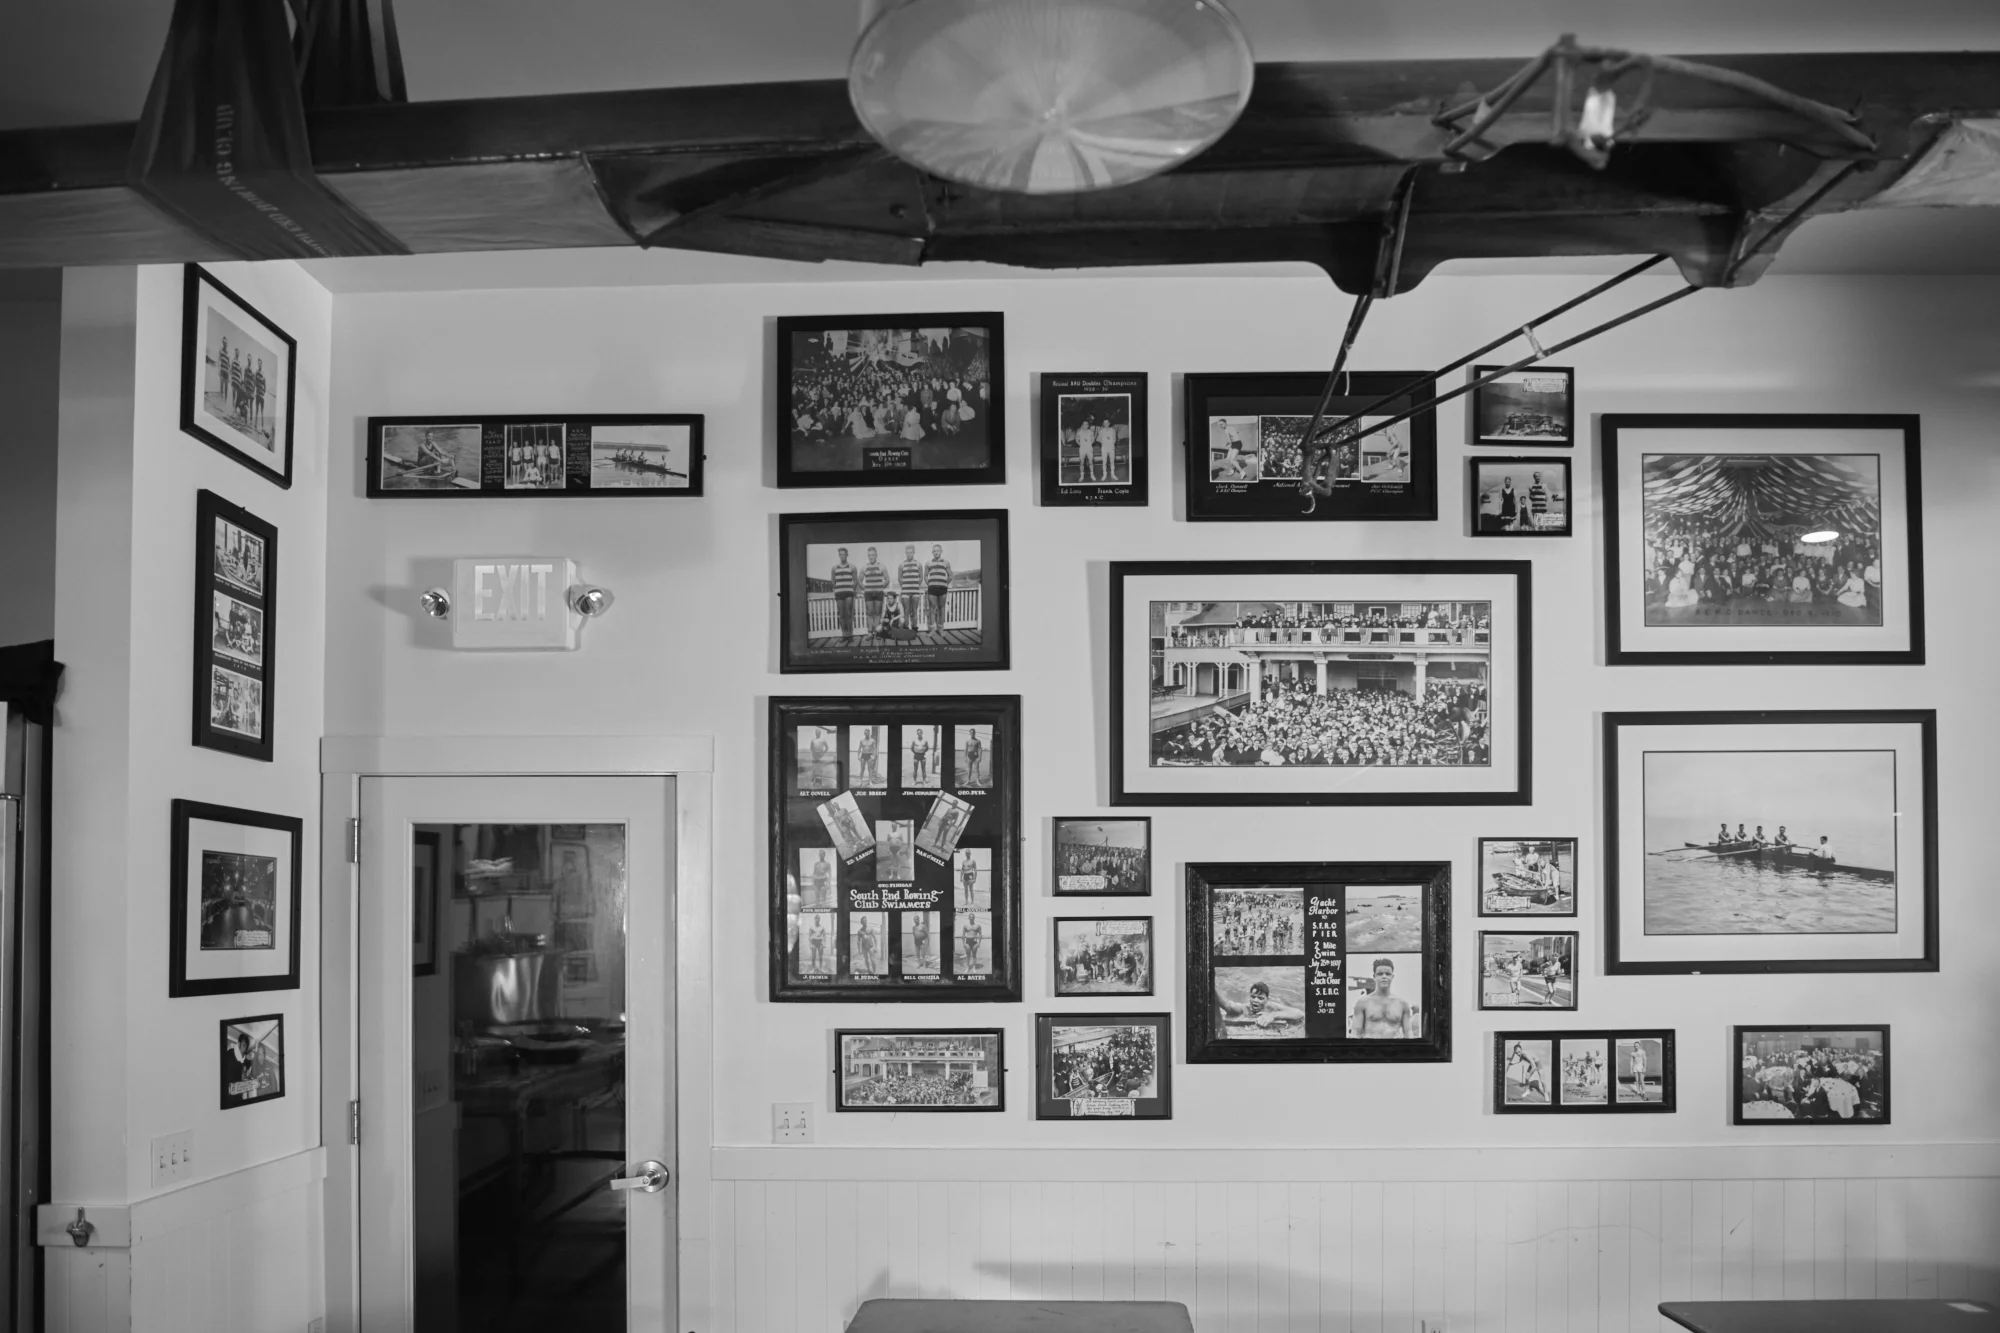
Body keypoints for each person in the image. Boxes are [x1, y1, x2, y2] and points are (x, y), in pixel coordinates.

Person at [1351, 958, 1418, 1038]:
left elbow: (1408, 1033)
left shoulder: (1402, 1004)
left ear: (1392, 976)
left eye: (1387, 974)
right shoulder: (1363, 1003)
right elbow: (1355, 1033)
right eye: (1380, 974)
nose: (1384, 976)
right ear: (1374, 976)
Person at [1215, 979, 1303, 1032]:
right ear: (1249, 997)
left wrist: (1273, 1015)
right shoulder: (1244, 1008)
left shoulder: (1272, 1006)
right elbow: (1229, 1005)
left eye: (1260, 998)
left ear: (1267, 1000)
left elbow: (1299, 1013)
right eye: (1253, 997)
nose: (1255, 1001)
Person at [828, 547, 858, 637]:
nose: (842, 556)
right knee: (841, 614)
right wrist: (838, 588)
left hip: (849, 593)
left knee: (848, 614)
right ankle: (844, 635)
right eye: (840, 554)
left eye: (844, 554)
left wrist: (850, 588)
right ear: (839, 555)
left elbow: (855, 581)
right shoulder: (834, 568)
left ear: (847, 555)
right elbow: (832, 582)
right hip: (839, 593)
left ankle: (849, 635)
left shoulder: (852, 567)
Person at [923, 544, 953, 633]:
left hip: (942, 589)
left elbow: (950, 576)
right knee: (932, 609)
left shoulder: (946, 562)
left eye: (938, 551)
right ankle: (932, 629)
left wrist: (944, 584)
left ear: (941, 551)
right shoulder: (928, 563)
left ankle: (941, 629)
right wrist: (930, 584)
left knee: (942, 608)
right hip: (932, 589)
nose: (936, 553)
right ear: (932, 552)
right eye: (934, 551)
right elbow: (925, 576)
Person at [860, 547, 889, 634]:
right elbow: (859, 581)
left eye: (872, 555)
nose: (871, 557)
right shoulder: (864, 567)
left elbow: (887, 580)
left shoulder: (882, 566)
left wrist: (881, 588)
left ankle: (876, 633)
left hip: (879, 593)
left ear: (876, 555)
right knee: (869, 613)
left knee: (877, 613)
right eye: (869, 555)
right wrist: (865, 589)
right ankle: (870, 633)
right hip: (868, 593)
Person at [897, 545, 925, 632]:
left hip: (915, 592)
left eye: (910, 552)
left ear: (913, 553)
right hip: (905, 592)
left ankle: (914, 628)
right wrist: (904, 587)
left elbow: (921, 577)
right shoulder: (901, 564)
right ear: (905, 553)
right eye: (907, 553)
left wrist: (916, 586)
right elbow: (899, 578)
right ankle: (906, 628)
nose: (909, 554)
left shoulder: (918, 564)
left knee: (914, 611)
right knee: (906, 611)